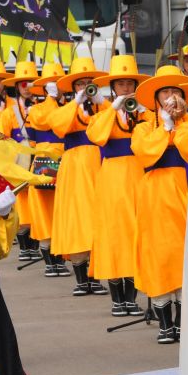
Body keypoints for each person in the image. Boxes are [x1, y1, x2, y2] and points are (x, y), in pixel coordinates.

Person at [131, 65, 188, 343]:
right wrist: (165, 127)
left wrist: (178, 123)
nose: (171, 97)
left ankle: (183, 323)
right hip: (156, 198)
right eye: (165, 92)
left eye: (176, 92)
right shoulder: (143, 128)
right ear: (156, 99)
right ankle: (165, 324)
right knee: (160, 257)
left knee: (186, 257)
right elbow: (143, 154)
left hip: (187, 194)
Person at [86, 55, 149, 316]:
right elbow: (95, 136)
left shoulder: (145, 112)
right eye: (120, 84)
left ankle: (132, 297)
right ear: (113, 88)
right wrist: (113, 108)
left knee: (135, 232)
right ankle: (117, 299)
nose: (125, 89)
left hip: (137, 176)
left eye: (129, 83)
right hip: (112, 178)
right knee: (114, 234)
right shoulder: (104, 113)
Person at [48, 57, 110, 296]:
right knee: (77, 217)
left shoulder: (103, 106)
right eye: (80, 83)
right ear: (73, 87)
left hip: (99, 163)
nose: (85, 87)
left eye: (89, 82)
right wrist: (76, 101)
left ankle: (95, 275)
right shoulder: (66, 108)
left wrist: (102, 102)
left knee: (98, 216)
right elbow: (58, 125)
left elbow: (117, 123)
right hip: (75, 167)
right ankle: (81, 277)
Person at [28, 61, 71, 277]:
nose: (56, 87)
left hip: (67, 159)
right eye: (52, 84)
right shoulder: (37, 108)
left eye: (58, 83)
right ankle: (49, 262)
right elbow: (45, 121)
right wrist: (51, 100)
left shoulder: (70, 106)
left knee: (61, 210)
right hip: (46, 162)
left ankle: (62, 258)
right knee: (45, 212)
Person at [0, 61, 42, 262]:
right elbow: (1, 139)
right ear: (16, 87)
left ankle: (38, 241)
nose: (28, 88)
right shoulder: (9, 113)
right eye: (23, 84)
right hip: (20, 157)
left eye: (31, 83)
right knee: (22, 200)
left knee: (39, 200)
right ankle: (26, 246)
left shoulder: (41, 109)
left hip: (39, 155)